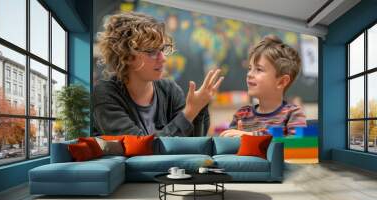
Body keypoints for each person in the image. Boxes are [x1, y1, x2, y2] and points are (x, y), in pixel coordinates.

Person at [93, 12, 223, 137]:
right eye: (152, 51)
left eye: (162, 50)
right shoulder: (105, 94)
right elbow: (139, 147)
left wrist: (199, 108)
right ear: (127, 56)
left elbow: (193, 144)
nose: (163, 58)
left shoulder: (169, 89)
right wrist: (189, 112)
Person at [220, 35, 306, 137]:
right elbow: (228, 148)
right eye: (249, 68)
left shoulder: (294, 114)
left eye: (259, 69)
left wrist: (250, 136)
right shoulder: (242, 114)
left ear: (281, 82)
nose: (249, 74)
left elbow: (298, 147)